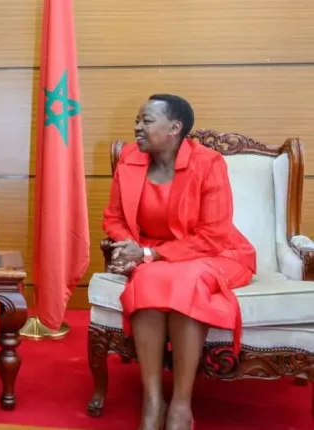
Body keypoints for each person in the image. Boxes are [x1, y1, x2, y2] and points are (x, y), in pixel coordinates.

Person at [103, 94, 256, 430]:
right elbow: (114, 218)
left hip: (214, 252)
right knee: (147, 279)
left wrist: (148, 255)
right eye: (137, 120)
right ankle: (153, 400)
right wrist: (130, 244)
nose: (137, 127)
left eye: (146, 120)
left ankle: (181, 406)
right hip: (155, 253)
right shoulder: (129, 159)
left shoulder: (209, 163)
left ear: (174, 128)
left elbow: (213, 235)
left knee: (184, 281)